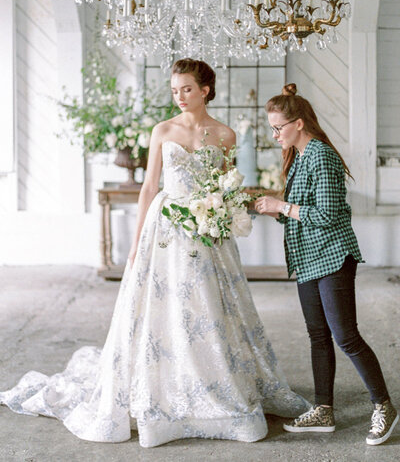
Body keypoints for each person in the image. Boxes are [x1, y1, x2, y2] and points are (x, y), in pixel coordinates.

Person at [0, 60, 309, 448]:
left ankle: (211, 383)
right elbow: (148, 188)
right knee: (166, 312)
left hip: (209, 234)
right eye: (175, 90)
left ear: (206, 91)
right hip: (166, 231)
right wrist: (134, 246)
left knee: (208, 310)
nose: (179, 97)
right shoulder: (162, 131)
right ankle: (166, 388)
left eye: (187, 89)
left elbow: (226, 187)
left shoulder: (226, 135)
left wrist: (221, 212)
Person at [255, 83, 398, 446]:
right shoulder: (300, 157)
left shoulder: (321, 155)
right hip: (307, 260)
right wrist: (266, 206)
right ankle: (323, 409)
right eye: (272, 128)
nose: (274, 135)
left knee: (345, 337)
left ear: (299, 123)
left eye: (278, 128)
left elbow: (328, 215)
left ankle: (384, 405)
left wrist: (282, 207)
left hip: (333, 258)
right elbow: (303, 213)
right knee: (318, 336)